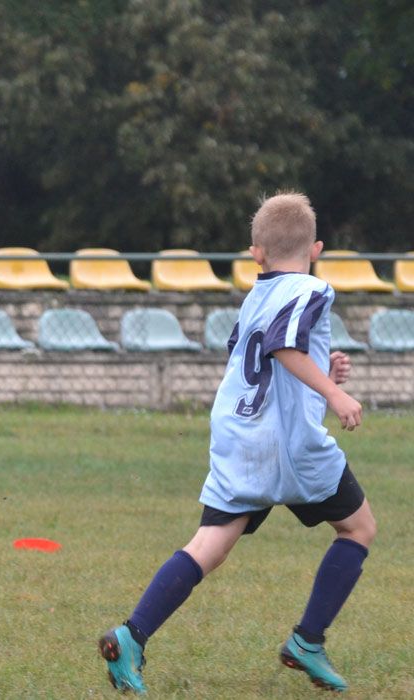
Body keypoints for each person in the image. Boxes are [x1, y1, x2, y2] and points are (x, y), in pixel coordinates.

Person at [100, 192, 374, 693]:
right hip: (288, 444)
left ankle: (132, 636)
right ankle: (307, 642)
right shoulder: (311, 289)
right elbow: (284, 346)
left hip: (240, 436)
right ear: (316, 249)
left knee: (208, 545)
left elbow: (257, 360)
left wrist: (322, 373)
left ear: (256, 253)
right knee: (358, 529)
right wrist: (334, 391)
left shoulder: (255, 296)